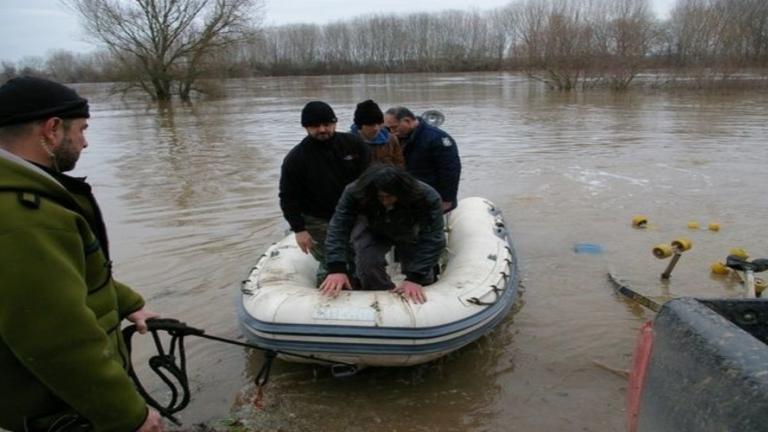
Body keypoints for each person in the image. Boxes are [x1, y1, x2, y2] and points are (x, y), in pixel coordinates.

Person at [0, 77, 163, 431]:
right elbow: (57, 338)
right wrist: (129, 415)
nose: (85, 142)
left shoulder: (31, 196)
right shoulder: (25, 216)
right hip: (55, 411)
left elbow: (67, 276)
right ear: (52, 130)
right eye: (82, 130)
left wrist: (127, 302)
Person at [319, 165, 445, 304]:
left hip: (410, 228)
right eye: (380, 197)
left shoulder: (426, 196)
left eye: (389, 196)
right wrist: (336, 267)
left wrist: (415, 278)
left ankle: (418, 292)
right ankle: (381, 296)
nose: (385, 201)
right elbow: (338, 227)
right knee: (366, 263)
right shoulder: (354, 192)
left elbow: (433, 237)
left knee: (420, 272)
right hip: (373, 226)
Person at [279, 101, 369, 285]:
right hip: (318, 219)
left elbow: (371, 178)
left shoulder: (354, 144)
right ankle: (326, 293)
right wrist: (299, 229)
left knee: (362, 255)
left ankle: (363, 286)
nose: (322, 129)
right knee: (333, 261)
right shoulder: (295, 158)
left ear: (335, 123)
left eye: (327, 124)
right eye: (315, 126)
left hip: (356, 213)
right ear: (306, 127)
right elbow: (288, 197)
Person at [384, 107, 461, 212]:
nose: (392, 132)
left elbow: (450, 171)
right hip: (407, 196)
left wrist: (447, 199)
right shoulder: (396, 139)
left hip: (431, 197)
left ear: (407, 121)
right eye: (389, 129)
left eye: (394, 127)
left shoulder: (437, 138)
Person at [350, 99, 404, 167]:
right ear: (360, 125)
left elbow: (400, 164)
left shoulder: (391, 139)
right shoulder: (348, 142)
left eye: (379, 124)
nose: (376, 128)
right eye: (371, 125)